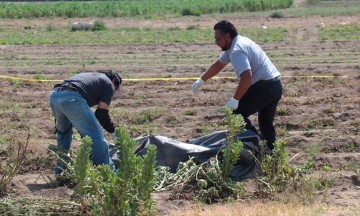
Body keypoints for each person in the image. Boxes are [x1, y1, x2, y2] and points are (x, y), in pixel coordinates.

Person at [192, 20, 283, 151]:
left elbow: (246, 76)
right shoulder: (237, 43)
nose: (216, 42)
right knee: (266, 125)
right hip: (275, 85)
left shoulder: (236, 50)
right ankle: (272, 154)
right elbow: (218, 64)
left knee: (236, 114)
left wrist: (235, 100)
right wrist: (201, 80)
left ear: (227, 36)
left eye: (218, 39)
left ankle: (258, 146)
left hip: (265, 87)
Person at [49, 70, 122, 174]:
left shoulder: (91, 78)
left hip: (54, 96)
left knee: (63, 134)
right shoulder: (108, 83)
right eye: (115, 89)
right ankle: (108, 173)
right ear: (114, 80)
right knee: (96, 135)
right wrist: (113, 132)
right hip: (72, 97)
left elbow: (80, 119)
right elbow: (101, 114)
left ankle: (61, 171)